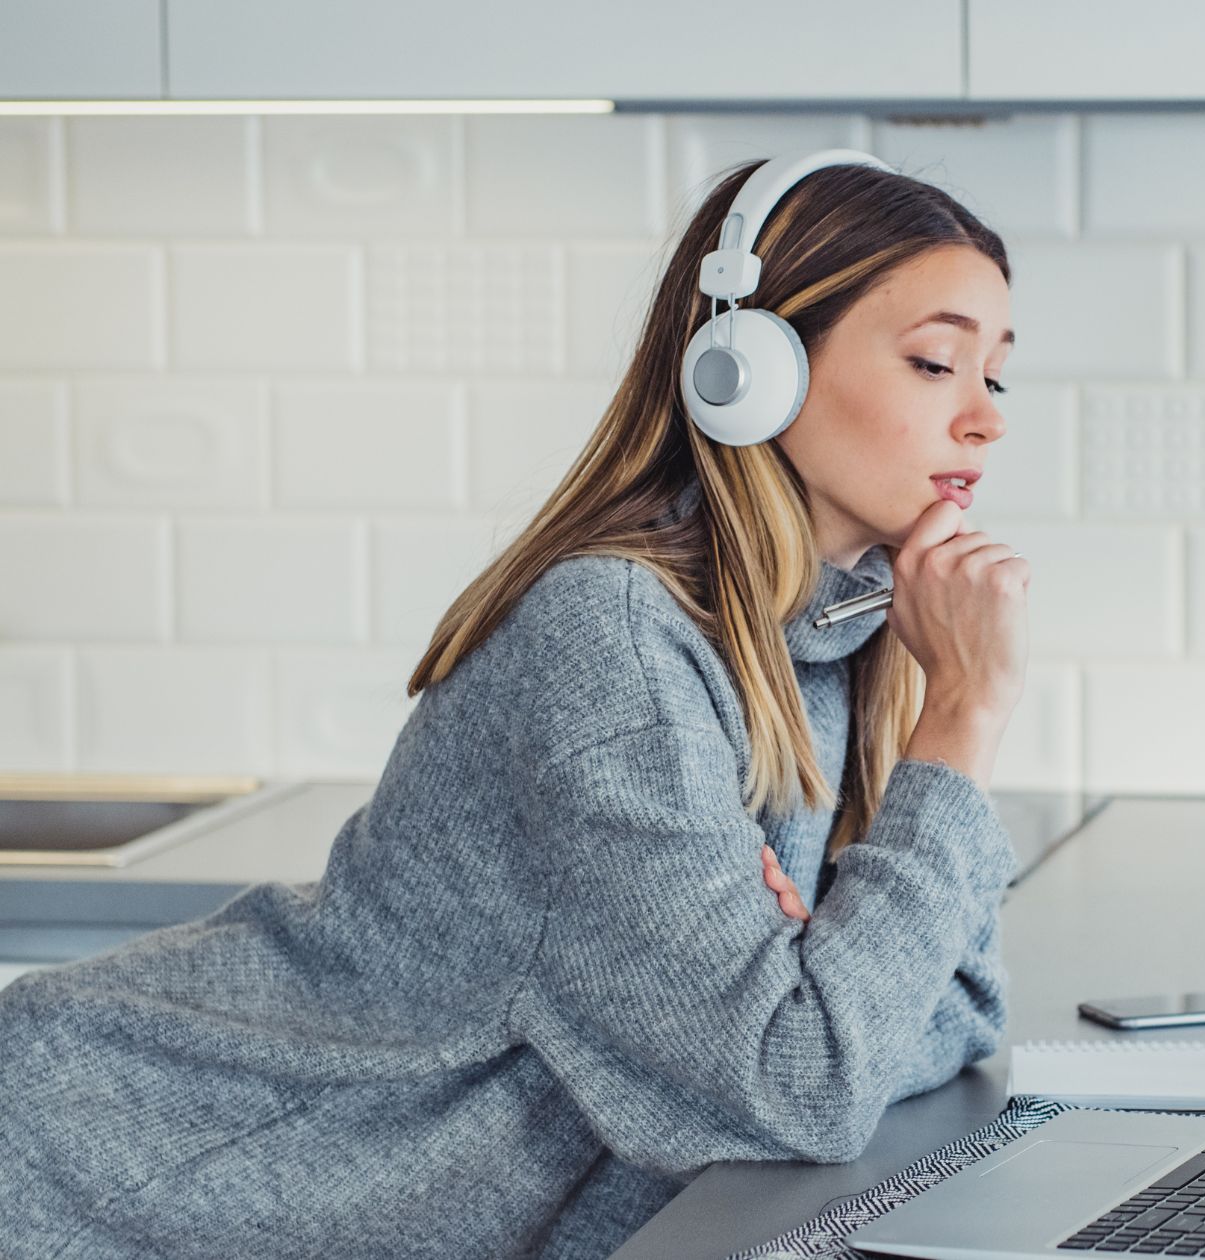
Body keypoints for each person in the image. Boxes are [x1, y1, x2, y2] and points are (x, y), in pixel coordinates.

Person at [0, 155, 1027, 1259]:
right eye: (935, 363)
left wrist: (824, 986)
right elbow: (803, 1086)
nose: (984, 422)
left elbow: (961, 1011)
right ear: (750, 364)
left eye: (996, 377)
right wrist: (959, 720)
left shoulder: (834, 641)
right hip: (111, 1172)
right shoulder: (614, 639)